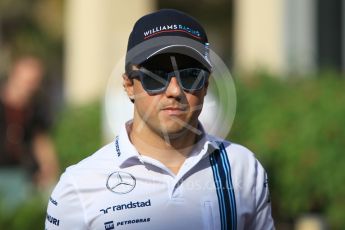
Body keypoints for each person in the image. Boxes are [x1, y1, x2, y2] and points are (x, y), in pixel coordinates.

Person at [45, 9, 274, 229]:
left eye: (190, 76)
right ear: (128, 86)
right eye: (155, 77)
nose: (175, 91)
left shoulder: (243, 169)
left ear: (205, 86)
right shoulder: (79, 186)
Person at [0, 55, 59, 208]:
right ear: (14, 75)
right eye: (26, 81)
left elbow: (41, 140)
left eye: (33, 82)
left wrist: (49, 169)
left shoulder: (36, 108)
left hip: (23, 174)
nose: (29, 87)